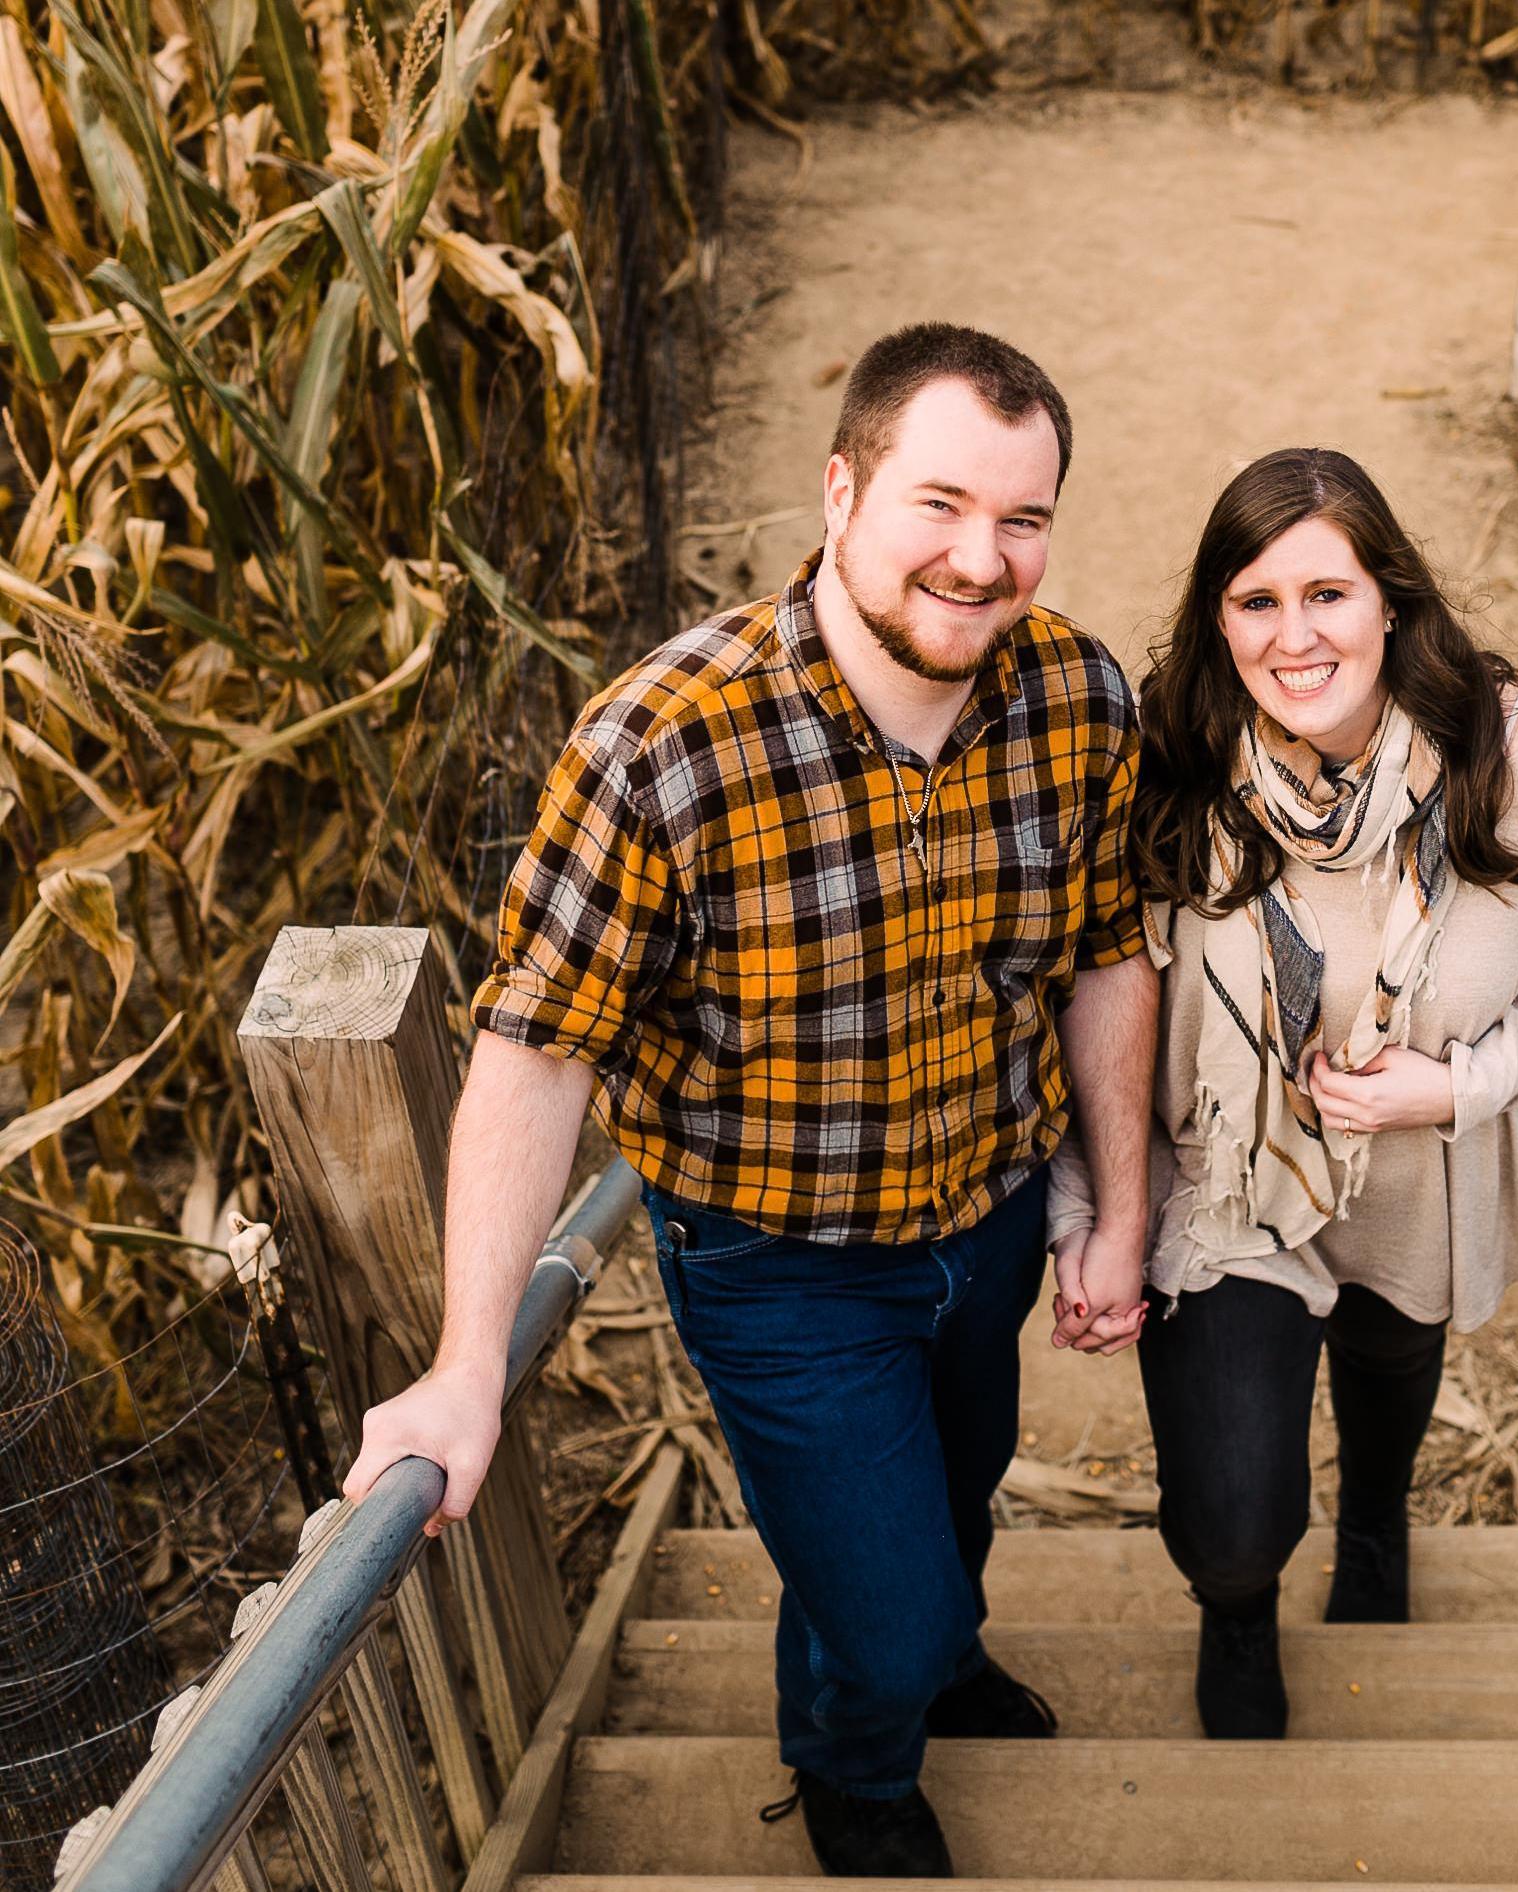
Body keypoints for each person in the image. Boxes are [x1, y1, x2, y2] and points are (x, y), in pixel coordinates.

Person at [342, 323, 1158, 1878]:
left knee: (958, 1493)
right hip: (779, 1266)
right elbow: (535, 1049)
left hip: (985, 1221)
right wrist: (466, 1366)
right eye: (939, 505)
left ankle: (922, 1652)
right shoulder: (664, 744)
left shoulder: (1077, 697)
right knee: (896, 1609)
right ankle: (856, 1763)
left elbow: (1110, 954)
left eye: (1025, 519)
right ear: (839, 490)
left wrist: (1115, 1210)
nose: (982, 561)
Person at [1047, 447, 1518, 1739]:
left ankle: (1376, 1532)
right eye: (1255, 602)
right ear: (1218, 621)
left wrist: (1460, 1086)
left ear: (1392, 599)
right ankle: (1238, 1600)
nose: (1295, 636)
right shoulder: (1169, 762)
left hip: (1413, 1188)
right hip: (1227, 1195)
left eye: (1327, 594)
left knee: (1387, 1385)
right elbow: (1096, 988)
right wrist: (1082, 1207)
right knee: (1227, 1520)